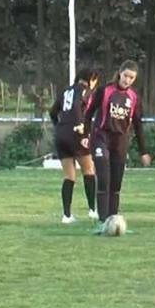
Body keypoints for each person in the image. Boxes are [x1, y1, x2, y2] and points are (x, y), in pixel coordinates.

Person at [82, 60, 152, 232]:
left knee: (116, 184)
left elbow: (138, 124)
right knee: (104, 178)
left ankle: (113, 220)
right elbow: (88, 113)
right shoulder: (104, 91)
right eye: (126, 75)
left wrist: (143, 151)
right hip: (101, 138)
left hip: (120, 142)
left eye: (132, 77)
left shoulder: (134, 97)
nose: (127, 80)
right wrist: (85, 135)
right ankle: (103, 221)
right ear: (120, 73)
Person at [49, 68, 102, 223]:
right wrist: (82, 127)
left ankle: (66, 215)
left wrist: (60, 127)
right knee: (89, 170)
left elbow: (53, 112)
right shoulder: (85, 91)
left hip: (61, 134)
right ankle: (92, 210)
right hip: (76, 133)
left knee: (69, 175)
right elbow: (80, 107)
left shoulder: (66, 91)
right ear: (91, 79)